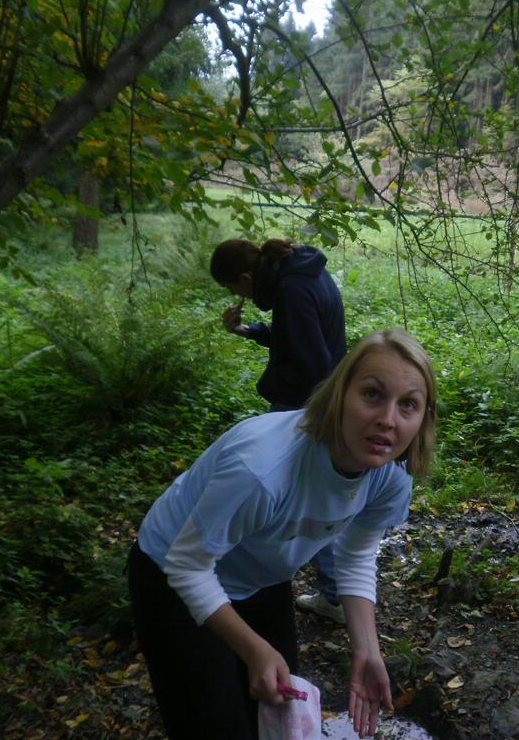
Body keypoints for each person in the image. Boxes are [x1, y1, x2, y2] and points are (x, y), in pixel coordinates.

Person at [128, 329, 437, 740]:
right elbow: (186, 565)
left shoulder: (390, 475)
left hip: (259, 576)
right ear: (341, 393)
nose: (387, 419)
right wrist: (253, 648)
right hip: (172, 572)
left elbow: (355, 555)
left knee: (275, 713)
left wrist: (366, 649)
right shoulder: (262, 469)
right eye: (372, 394)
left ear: (423, 419)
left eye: (408, 404)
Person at [210, 237, 347, 623]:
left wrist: (279, 397)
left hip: (305, 406)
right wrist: (250, 330)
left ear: (245, 277)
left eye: (234, 289)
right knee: (311, 497)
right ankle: (334, 593)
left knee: (300, 501)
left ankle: (328, 595)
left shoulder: (292, 288)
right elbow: (296, 338)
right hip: (317, 400)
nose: (238, 297)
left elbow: (312, 364)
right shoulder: (299, 272)